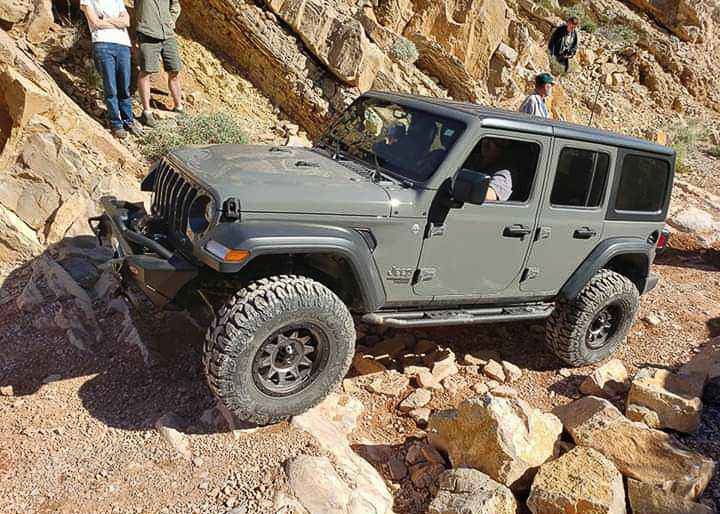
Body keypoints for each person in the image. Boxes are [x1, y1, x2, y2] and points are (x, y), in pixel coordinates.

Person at [80, 0, 142, 139]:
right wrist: (116, 21)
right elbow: (95, 23)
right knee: (110, 88)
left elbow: (126, 21)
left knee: (124, 88)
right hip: (102, 44)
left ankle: (128, 121)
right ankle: (115, 123)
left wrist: (105, 20)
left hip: (123, 45)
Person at [135, 0, 184, 128]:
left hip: (168, 35)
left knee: (174, 71)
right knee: (145, 72)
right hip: (148, 34)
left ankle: (179, 108)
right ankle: (146, 113)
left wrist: (172, 19)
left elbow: (175, 5)